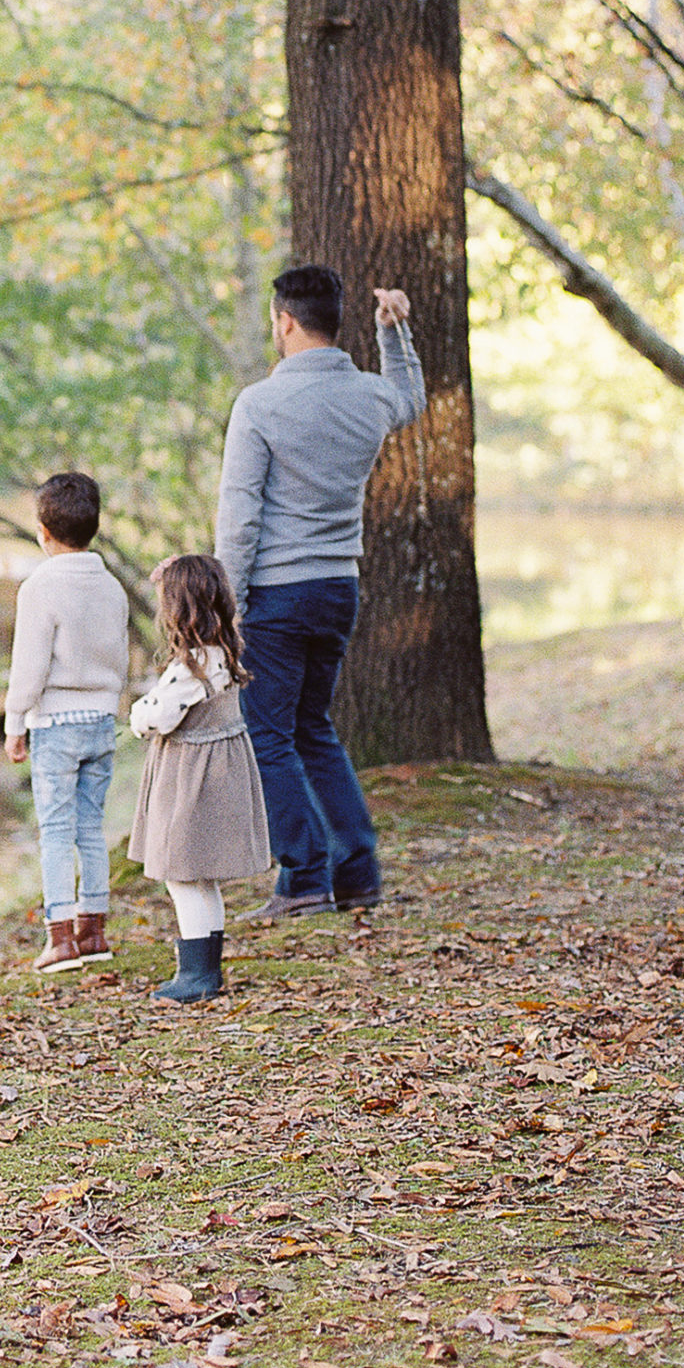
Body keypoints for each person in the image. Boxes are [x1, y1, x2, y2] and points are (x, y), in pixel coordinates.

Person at [215, 265, 425, 919]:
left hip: (275, 595)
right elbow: (409, 396)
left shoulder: (258, 404)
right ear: (335, 322)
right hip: (338, 586)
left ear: (283, 321)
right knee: (311, 728)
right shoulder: (368, 396)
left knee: (268, 735)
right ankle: (356, 872)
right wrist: (395, 330)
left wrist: (225, 602)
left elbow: (239, 513)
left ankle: (303, 875)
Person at [127, 552, 270, 1006]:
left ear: (177, 611)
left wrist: (137, 715)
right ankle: (205, 967)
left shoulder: (191, 667)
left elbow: (160, 717)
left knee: (184, 877)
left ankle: (197, 974)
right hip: (210, 774)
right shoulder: (223, 652)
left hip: (190, 780)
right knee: (200, 879)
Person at [3, 470, 131, 974]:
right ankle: (93, 928)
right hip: (100, 720)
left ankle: (59, 939)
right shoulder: (112, 586)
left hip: (55, 723)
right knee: (90, 828)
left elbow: (29, 663)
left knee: (55, 830)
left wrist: (16, 720)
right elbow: (119, 657)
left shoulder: (40, 586)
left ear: (43, 531)